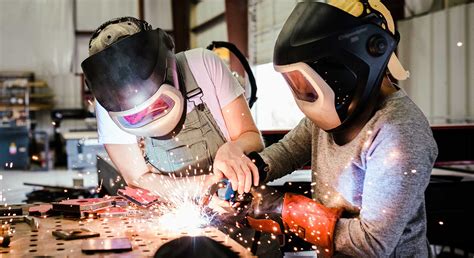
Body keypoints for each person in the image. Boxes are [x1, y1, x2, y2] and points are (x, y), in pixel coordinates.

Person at [218, 0, 438, 257]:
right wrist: (254, 170)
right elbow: (290, 150)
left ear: (350, 66)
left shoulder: (398, 133)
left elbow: (372, 244)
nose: (303, 93)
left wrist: (283, 208)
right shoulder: (333, 115)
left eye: (308, 83)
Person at [81, 17, 263, 198]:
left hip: (234, 194)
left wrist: (236, 147)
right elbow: (137, 178)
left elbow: (252, 138)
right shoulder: (109, 104)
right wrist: (203, 186)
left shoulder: (202, 65)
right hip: (169, 205)